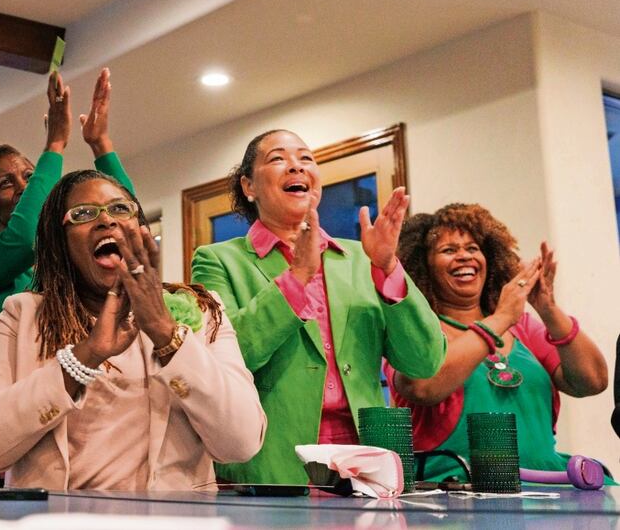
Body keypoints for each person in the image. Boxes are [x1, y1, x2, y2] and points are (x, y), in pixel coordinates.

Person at [0, 169, 265, 490]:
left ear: (142, 230)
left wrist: (167, 335)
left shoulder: (202, 310)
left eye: (120, 209)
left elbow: (242, 442)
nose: (107, 221)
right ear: (60, 242)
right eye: (83, 214)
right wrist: (85, 357)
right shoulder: (21, 315)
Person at [190, 129, 445, 485]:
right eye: (278, 158)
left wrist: (388, 268)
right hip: (272, 466)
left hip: (366, 466)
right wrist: (297, 277)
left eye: (306, 159)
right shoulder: (217, 260)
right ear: (249, 187)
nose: (296, 167)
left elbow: (423, 361)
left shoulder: (360, 257)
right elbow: (226, 359)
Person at [387, 203, 608, 482]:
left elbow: (593, 381)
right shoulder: (415, 329)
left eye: (473, 248)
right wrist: (501, 317)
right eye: (449, 250)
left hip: (546, 485)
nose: (464, 257)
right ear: (423, 264)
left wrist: (548, 309)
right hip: (457, 494)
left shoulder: (523, 327)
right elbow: (422, 386)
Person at [0, 68, 133, 367]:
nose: (24, 186)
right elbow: (24, 241)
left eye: (30, 177)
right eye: (6, 183)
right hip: (6, 401)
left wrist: (100, 144)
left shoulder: (66, 258)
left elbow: (126, 229)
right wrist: (55, 145)